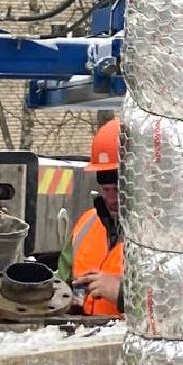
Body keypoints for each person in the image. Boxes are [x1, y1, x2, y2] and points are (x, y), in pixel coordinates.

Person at [57, 117, 124, 316]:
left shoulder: (163, 237)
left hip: (130, 341)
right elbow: (63, 282)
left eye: (118, 189)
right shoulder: (87, 222)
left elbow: (176, 305)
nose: (111, 198)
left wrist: (121, 294)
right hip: (87, 337)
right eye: (106, 189)